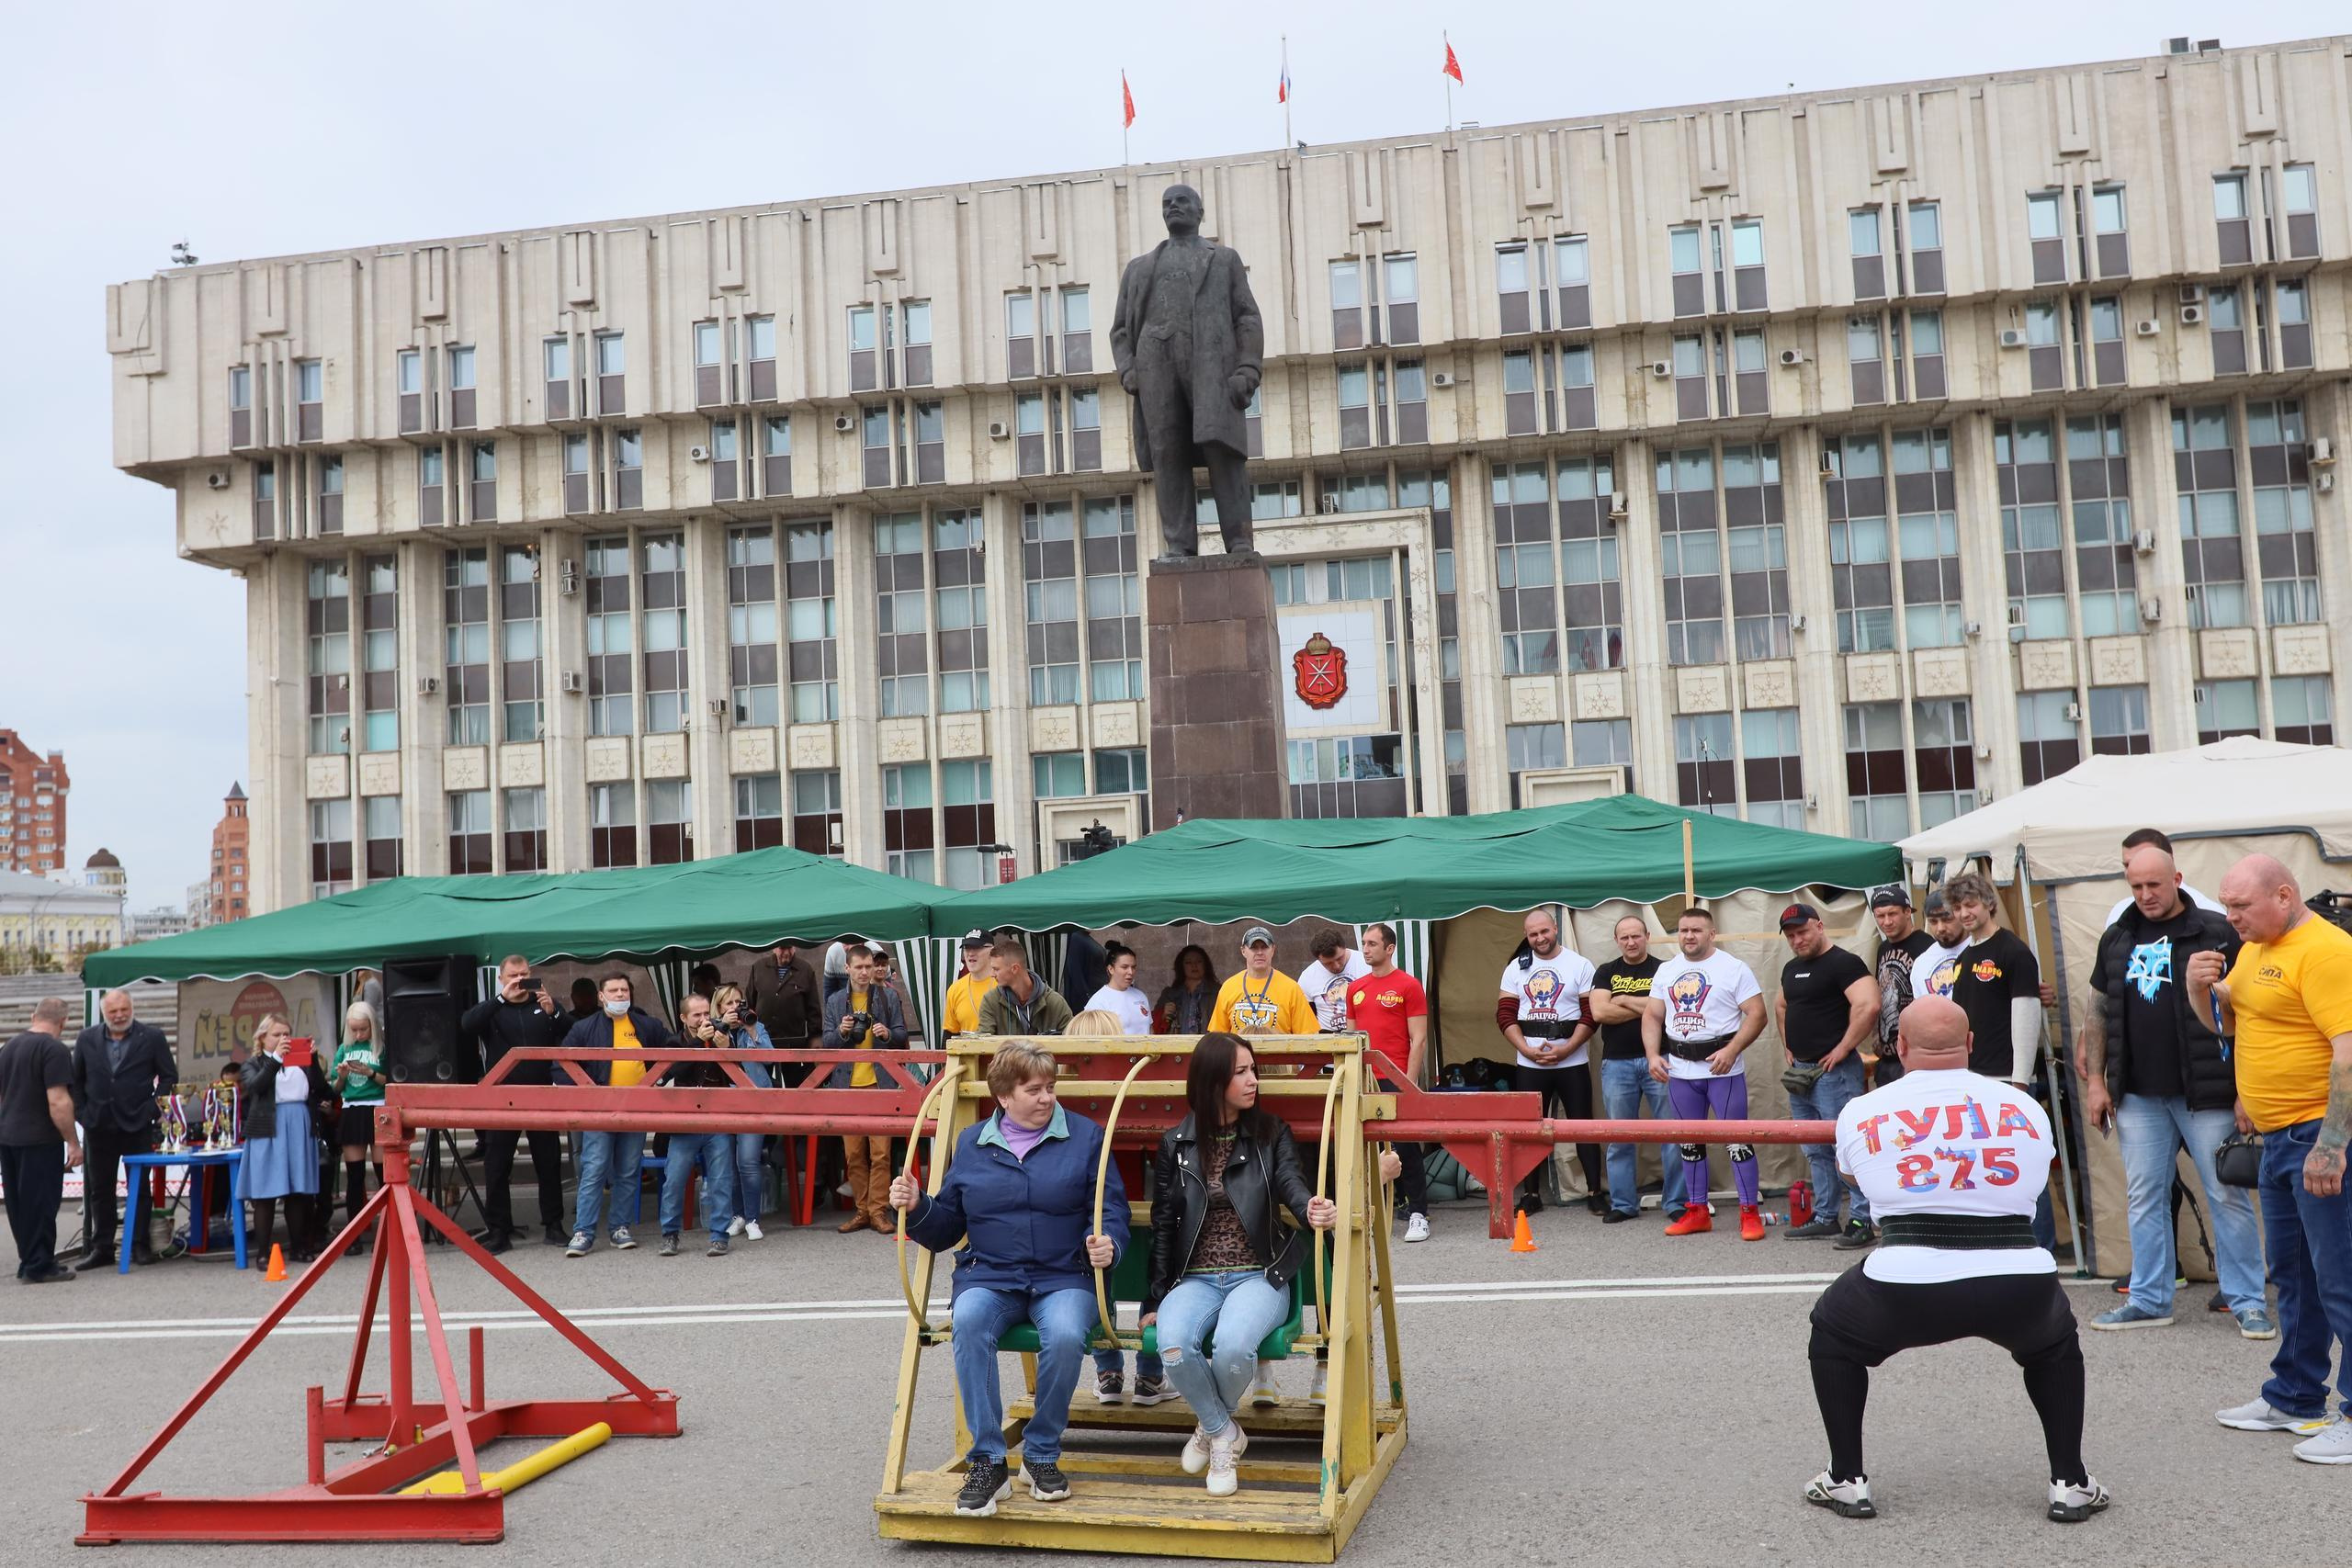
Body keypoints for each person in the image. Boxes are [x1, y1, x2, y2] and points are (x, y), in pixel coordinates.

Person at [1803, 996, 2109, 1525]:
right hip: (2018, 1278)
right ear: (1970, 1045)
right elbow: (2039, 1175)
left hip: (1907, 1282)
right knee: (2055, 1346)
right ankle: (2071, 1483)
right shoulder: (2025, 1106)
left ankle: (1846, 1480)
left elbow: (1854, 1179)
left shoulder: (1863, 1109)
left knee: (1831, 1334)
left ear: (1898, 1047)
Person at [888, 1043, 1128, 1516]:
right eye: (1034, 1089)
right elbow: (948, 1228)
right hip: (991, 1274)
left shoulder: (1086, 1137)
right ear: (1003, 1095)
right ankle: (988, 1460)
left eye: (1051, 1088)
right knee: (970, 1322)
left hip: (1064, 1275)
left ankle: (1040, 1452)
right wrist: (918, 1206)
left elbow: (1111, 1209)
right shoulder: (973, 1144)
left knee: (1063, 1335)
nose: (1047, 1098)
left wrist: (1107, 1242)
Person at [2192, 853, 2352, 1464]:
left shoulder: (2326, 950)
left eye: (2242, 906)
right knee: (2293, 1273)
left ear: (2284, 895)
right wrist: (2197, 986)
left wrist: (2331, 1144)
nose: (2231, 917)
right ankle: (2295, 1394)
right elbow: (2227, 1025)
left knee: (2341, 1277)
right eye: (2228, 906)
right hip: (2279, 1137)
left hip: (2320, 1135)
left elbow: (2348, 1052)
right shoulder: (2257, 948)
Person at [1137, 1032, 1338, 1496]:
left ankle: (1211, 1430)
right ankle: (1225, 1431)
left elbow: (1291, 1181)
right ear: (1212, 1082)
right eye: (1241, 1072)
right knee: (1170, 1345)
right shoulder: (1177, 1143)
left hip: (1259, 1272)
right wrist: (1156, 1296)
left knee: (1232, 1349)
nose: (1253, 1080)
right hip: (1194, 1278)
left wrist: (1309, 1206)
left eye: (1254, 1070)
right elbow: (1165, 1222)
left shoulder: (1270, 1132)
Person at [2081, 840, 2266, 1337]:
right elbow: (2099, 1012)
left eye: (2154, 884)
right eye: (2136, 886)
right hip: (2138, 1093)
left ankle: (2248, 1300)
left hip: (2206, 1090)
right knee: (2144, 1196)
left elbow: (2251, 1014)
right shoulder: (2117, 937)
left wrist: (2246, 1090)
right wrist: (2096, 1082)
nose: (2145, 894)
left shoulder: (2216, 930)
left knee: (2225, 1193)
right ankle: (2149, 1299)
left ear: (2177, 878)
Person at [1109, 181, 1264, 558]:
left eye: (1181, 201)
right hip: (1155, 367)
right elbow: (1120, 330)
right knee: (1168, 454)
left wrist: (1247, 368)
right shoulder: (1140, 268)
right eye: (1166, 203)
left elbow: (1247, 317)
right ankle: (1178, 545)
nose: (1172, 207)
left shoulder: (1223, 259)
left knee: (1221, 450)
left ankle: (1239, 540)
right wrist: (1129, 369)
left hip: (1210, 368)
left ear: (1199, 212)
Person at [1064, 1009, 1172, 1407]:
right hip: (1143, 1203)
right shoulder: (1137, 1090)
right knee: (1154, 1281)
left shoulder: (1066, 1097)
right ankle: (1150, 1374)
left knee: (1097, 1283)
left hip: (1093, 1212)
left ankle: (1108, 1373)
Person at [1944, 872, 2056, 1252]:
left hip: (2008, 1076)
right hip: (1973, 1076)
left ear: (1989, 903)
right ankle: (1999, 1238)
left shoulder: (2013, 951)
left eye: (1970, 905)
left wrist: (2021, 1081)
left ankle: (2037, 1243)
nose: (1964, 914)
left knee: (2022, 1164)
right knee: (1986, 1163)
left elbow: (2026, 1017)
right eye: (1957, 907)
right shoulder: (1965, 956)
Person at [1644, 906, 1769, 1240]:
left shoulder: (1733, 968)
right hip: (1681, 1071)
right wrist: (1652, 1055)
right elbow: (1652, 1016)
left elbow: (1757, 1014)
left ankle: (1749, 1213)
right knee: (1689, 1144)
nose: (1689, 936)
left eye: (1696, 930)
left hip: (1722, 1072)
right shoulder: (1667, 970)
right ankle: (1697, 1211)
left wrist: (1732, 1050)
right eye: (1683, 930)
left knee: (1738, 1143)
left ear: (1711, 933)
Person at [1776, 904, 1883, 1250]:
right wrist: (1788, 1045)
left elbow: (1869, 1005)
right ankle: (1825, 1217)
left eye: (1803, 931)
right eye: (1791, 935)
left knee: (1846, 1147)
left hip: (1834, 1071)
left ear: (1820, 926)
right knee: (1815, 1149)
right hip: (1801, 1071)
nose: (1797, 940)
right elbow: (1780, 1006)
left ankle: (1861, 1220)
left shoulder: (1844, 963)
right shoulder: (1792, 969)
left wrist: (1844, 1048)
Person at [1498, 908, 1603, 1214]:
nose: (1540, 938)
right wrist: (1526, 1050)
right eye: (1533, 934)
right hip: (1530, 1063)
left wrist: (1569, 1048)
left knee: (1583, 1126)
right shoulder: (1516, 968)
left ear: (1555, 928)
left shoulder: (1579, 964)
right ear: (1526, 935)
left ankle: (1595, 1191)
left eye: (1544, 931)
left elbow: (1590, 1014)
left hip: (1572, 1061)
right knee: (1530, 1131)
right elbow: (1504, 1014)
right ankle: (1531, 1194)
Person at [561, 972, 674, 1258]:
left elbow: (673, 1048)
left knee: (628, 1171)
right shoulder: (584, 1027)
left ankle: (619, 1228)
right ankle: (583, 1232)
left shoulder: (646, 1024)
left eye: (624, 990)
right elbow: (561, 1061)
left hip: (635, 1110)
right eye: (614, 991)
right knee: (594, 1169)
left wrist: (659, 1080)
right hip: (599, 1111)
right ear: (601, 996)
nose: (621, 995)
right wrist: (583, 1095)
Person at [461, 956, 570, 1252]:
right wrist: (501, 998)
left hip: (540, 1095)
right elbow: (467, 1024)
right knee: (497, 1165)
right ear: (501, 978)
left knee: (548, 1163)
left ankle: (554, 1225)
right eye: (512, 975)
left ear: (532, 974)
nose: (519, 980)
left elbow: (571, 1033)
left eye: (524, 974)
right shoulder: (494, 1009)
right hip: (501, 1097)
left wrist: (553, 1013)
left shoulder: (545, 1004)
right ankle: (499, 1229)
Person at [1588, 915, 1687, 1227]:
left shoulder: (1666, 969)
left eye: (1636, 936)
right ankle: (1623, 1204)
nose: (1631, 942)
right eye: (1624, 938)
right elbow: (1600, 1011)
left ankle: (1676, 1203)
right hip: (1617, 1063)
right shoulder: (1606, 971)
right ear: (1617, 940)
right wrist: (1649, 1007)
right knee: (1620, 1136)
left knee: (1673, 1134)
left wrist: (1626, 999)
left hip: (1662, 1059)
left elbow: (1670, 1008)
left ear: (1647, 936)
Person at [68, 988, 178, 1269]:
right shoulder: (87, 1038)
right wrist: (83, 1113)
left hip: (137, 1124)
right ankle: (101, 1247)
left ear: (132, 1009)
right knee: (100, 1189)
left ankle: (140, 1244)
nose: (119, 1016)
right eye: (113, 1012)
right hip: (98, 1125)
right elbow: (75, 1081)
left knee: (139, 1188)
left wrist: (153, 1108)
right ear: (104, 1013)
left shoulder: (152, 1037)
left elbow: (169, 1076)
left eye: (123, 1010)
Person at [1349, 922, 1434, 1240]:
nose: (1366, 948)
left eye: (1373, 943)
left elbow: (1419, 1039)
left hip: (1395, 1078)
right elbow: (1351, 1039)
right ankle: (1374, 1208)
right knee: (1363, 1145)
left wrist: (1408, 1084)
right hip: (1364, 1079)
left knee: (1405, 1145)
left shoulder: (1408, 986)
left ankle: (1418, 1213)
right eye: (1364, 943)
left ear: (1389, 948)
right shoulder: (1355, 988)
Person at [237, 1013, 336, 1266]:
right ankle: (262, 1252)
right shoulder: (253, 1063)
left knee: (298, 1191)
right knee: (266, 1192)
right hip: (267, 1127)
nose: (284, 1039)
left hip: (299, 1125)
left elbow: (322, 1089)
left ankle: (299, 1247)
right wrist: (276, 1059)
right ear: (262, 1038)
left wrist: (312, 1060)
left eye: (287, 1034)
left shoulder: (300, 1063)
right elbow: (256, 1087)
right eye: (277, 1035)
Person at [826, 943, 909, 1235]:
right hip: (848, 1085)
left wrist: (887, 1033)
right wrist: (842, 1032)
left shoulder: (888, 997)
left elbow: (901, 1036)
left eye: (868, 966)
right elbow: (827, 1045)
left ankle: (877, 1211)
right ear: (847, 969)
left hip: (880, 1083)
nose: (864, 972)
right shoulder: (836, 1001)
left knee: (882, 1153)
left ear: (875, 968)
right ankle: (863, 1209)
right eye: (858, 967)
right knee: (853, 1153)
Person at [1, 998, 83, 1283]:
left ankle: (29, 1260)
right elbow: (58, 1101)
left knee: (19, 1204)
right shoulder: (53, 1049)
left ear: (34, 1016)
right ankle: (40, 1265)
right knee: (42, 1203)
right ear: (64, 1022)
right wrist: (73, 1142)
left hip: (9, 1136)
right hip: (39, 1138)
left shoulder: (9, 1047)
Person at [653, 995, 737, 1258]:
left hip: (717, 1118)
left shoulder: (721, 1035)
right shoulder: (674, 1042)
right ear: (683, 1018)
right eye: (696, 1016)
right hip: (685, 1122)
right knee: (674, 1179)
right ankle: (669, 1234)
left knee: (721, 1180)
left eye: (706, 1014)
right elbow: (671, 1071)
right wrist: (699, 1042)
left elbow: (739, 1071)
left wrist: (728, 1048)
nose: (704, 1020)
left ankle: (720, 1235)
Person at [710, 983, 775, 1241]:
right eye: (728, 1003)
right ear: (718, 1008)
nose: (736, 1007)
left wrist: (751, 1030)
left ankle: (753, 1219)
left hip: (754, 1102)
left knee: (747, 1161)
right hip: (723, 1103)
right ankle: (737, 1216)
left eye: (739, 1001)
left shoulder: (755, 1026)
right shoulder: (712, 1030)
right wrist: (722, 1028)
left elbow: (771, 1058)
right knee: (729, 1164)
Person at [328, 1002, 386, 1238]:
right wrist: (341, 1077)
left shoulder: (382, 1048)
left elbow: (391, 1081)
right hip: (353, 1109)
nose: (359, 1034)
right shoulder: (344, 1049)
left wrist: (370, 1073)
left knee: (384, 1173)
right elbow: (336, 1088)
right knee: (354, 1175)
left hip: (379, 1107)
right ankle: (355, 1232)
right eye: (354, 1030)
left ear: (372, 1026)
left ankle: (388, 1228)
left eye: (363, 1029)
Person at [1867, 886, 1935, 1088]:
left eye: (1892, 914)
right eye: (1880, 916)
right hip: (1887, 1055)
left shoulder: (1927, 946)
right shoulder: (1883, 948)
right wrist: (1877, 1035)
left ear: (1907, 912)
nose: (1886, 922)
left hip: (1917, 1056)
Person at [2102, 828, 2222, 928]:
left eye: (2145, 859)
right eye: (2127, 865)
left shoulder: (2211, 915)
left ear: (2168, 858)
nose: (2135, 868)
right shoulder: (2119, 913)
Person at [1211, 927, 1317, 1036]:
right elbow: (1217, 1036)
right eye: (1254, 948)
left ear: (1273, 950)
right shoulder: (1229, 987)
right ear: (1243, 951)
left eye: (1264, 947)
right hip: (1239, 1052)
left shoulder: (1291, 988)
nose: (1260, 952)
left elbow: (1308, 1035)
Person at [978, 940, 1075, 1036]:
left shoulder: (1055, 1003)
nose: (992, 974)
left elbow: (1073, 1042)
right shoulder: (991, 1001)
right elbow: (983, 1046)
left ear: (1015, 969)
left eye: (996, 969)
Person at [744, 940, 820, 1051]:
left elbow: (813, 1009)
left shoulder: (805, 970)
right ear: (773, 948)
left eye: (789, 948)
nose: (786, 953)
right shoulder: (758, 968)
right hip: (761, 1041)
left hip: (795, 1042)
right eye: (782, 948)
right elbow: (750, 1003)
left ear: (795, 947)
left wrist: (815, 1036)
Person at [1296, 928, 1371, 1034]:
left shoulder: (1366, 964)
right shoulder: (1307, 977)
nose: (1336, 966)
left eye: (1339, 958)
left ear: (1344, 947)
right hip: (1329, 1040)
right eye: (1328, 963)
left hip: (1365, 1035)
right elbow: (1307, 1020)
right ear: (1318, 959)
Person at [1085, 943, 1156, 1035]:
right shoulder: (1098, 1001)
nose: (1130, 972)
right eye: (1124, 967)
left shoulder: (1140, 996)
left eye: (1133, 967)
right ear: (1111, 969)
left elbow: (1150, 1029)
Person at [1909, 891, 1966, 1004]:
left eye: (1947, 919)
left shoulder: (1984, 949)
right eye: (1933, 921)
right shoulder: (1921, 963)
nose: (1940, 928)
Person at [940, 932, 998, 1037]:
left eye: (977, 948)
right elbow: (950, 1035)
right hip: (968, 1052)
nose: (970, 953)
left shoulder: (1004, 983)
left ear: (992, 951)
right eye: (966, 948)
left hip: (1001, 1052)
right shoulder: (955, 989)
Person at [1156, 945, 1220, 1035]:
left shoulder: (1218, 992)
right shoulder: (1170, 994)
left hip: (1208, 1045)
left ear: (1205, 965)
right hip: (1176, 1046)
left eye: (1199, 961)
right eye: (1188, 962)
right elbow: (1154, 1024)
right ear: (1181, 966)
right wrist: (1163, 1015)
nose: (1194, 966)